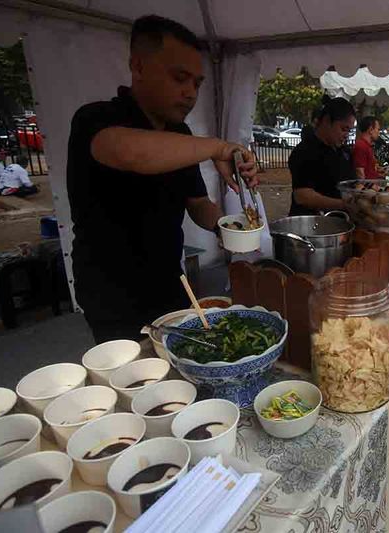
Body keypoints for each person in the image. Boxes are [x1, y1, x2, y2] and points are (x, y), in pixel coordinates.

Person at [67, 15, 258, 343]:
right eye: (179, 78)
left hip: (171, 282)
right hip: (112, 293)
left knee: (189, 361)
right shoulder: (95, 119)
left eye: (197, 83)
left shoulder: (180, 134)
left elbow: (197, 203)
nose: (190, 92)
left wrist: (231, 227)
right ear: (138, 67)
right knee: (139, 381)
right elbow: (133, 154)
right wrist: (218, 146)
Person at [288, 96, 355, 215]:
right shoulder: (304, 151)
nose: (346, 135)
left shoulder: (344, 152)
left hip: (341, 222)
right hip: (311, 225)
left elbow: (353, 183)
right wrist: (344, 205)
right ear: (327, 121)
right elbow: (302, 196)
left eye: (349, 131)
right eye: (344, 129)